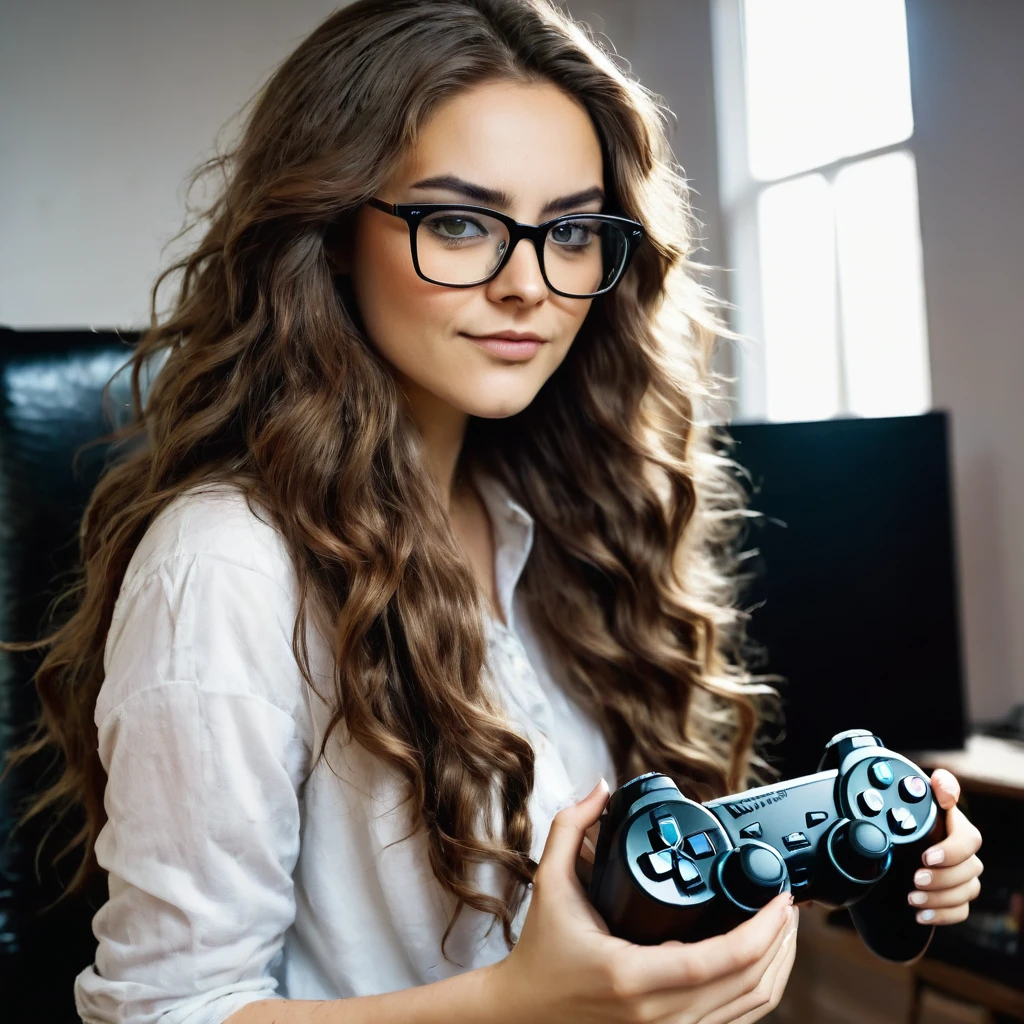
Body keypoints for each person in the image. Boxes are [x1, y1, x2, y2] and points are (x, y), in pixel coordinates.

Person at [1, 1, 983, 1021]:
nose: (529, 285)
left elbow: (621, 900)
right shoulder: (227, 564)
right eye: (459, 222)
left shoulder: (564, 519)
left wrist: (867, 858)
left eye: (568, 231)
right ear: (334, 234)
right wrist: (524, 1002)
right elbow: (164, 1012)